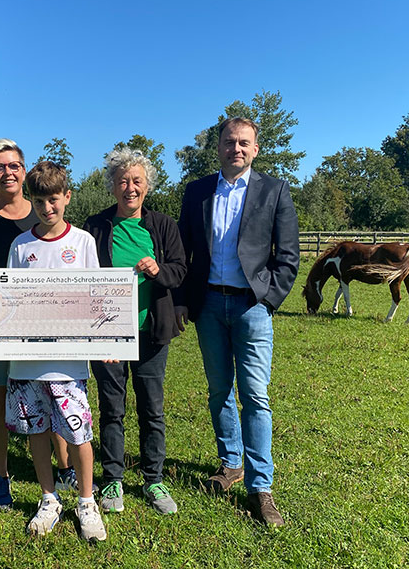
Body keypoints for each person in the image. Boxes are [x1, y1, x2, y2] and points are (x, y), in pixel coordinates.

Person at [174, 117, 299, 527]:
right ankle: (230, 465)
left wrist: (268, 300)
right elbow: (184, 253)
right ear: (219, 147)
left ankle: (261, 487)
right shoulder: (196, 192)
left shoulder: (275, 191)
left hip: (251, 307)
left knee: (256, 396)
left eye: (244, 143)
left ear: (256, 148)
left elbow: (288, 256)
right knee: (218, 391)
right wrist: (183, 302)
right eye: (230, 142)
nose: (236, 149)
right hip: (208, 305)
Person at [0, 140, 78, 509]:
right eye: (0, 166)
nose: (8, 172)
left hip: (48, 333)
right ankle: (0, 477)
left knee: (54, 397)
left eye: (14, 165)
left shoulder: (44, 210)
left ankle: (65, 468)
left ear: (24, 171)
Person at [4, 161, 106, 541]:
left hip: (69, 362)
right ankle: (49, 499)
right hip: (27, 364)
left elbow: (97, 298)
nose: (48, 208)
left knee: (79, 434)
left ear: (67, 196)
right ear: (31, 201)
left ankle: (86, 501)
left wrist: (106, 342)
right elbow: (8, 302)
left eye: (54, 199)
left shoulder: (82, 242)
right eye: (39, 200)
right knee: (36, 430)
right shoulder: (20, 245)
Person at [84, 148, 186, 515]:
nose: (130, 187)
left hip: (152, 331)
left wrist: (158, 270)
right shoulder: (94, 227)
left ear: (147, 186)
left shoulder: (162, 225)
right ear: (112, 185)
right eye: (123, 180)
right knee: (112, 408)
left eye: (137, 181)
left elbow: (179, 270)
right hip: (107, 334)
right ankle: (112, 478)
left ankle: (153, 478)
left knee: (151, 408)